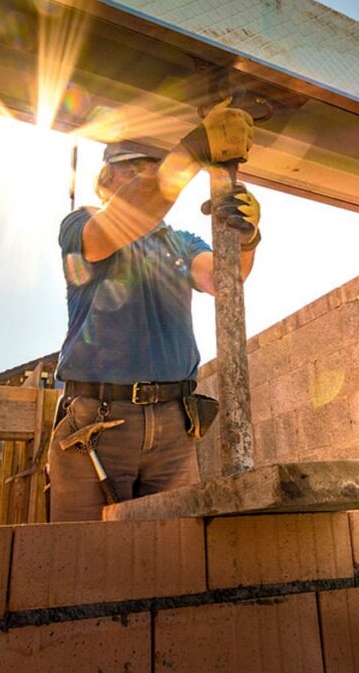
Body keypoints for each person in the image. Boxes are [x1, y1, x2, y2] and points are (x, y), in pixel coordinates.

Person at [48, 100, 261, 521]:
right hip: (95, 423)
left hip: (173, 425)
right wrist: (195, 148)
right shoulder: (82, 225)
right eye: (136, 169)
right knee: (82, 560)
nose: (150, 176)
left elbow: (225, 280)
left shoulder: (180, 242)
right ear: (107, 180)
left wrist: (248, 237)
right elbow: (128, 215)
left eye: (153, 166)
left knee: (173, 556)